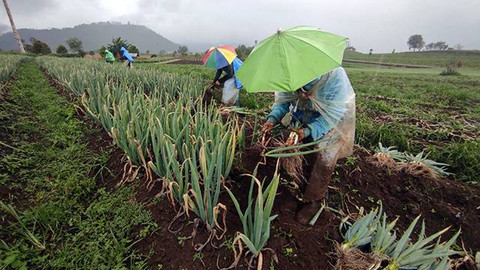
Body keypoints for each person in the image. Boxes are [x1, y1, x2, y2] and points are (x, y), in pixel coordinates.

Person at [262, 66, 356, 224]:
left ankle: (315, 201)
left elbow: (335, 112)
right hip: (302, 118)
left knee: (321, 162)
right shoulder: (289, 72)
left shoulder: (334, 77)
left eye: (306, 88)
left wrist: (309, 131)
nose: (302, 94)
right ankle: (299, 190)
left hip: (328, 123)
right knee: (302, 157)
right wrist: (272, 119)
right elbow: (283, 102)